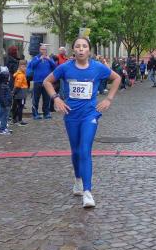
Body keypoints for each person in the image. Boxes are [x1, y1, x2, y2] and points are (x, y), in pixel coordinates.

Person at [43, 37, 122, 209]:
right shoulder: (65, 67)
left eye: (84, 46)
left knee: (85, 149)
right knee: (76, 150)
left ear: (89, 50)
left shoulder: (98, 67)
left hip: (89, 115)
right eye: (77, 46)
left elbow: (117, 78)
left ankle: (87, 192)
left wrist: (108, 99)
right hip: (71, 115)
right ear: (73, 50)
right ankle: (78, 179)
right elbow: (46, 81)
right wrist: (56, 98)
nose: (81, 49)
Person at [27, 44, 57, 119]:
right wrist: (40, 59)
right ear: (39, 50)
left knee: (46, 98)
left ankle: (46, 113)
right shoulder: (36, 58)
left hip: (47, 82)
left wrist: (49, 60)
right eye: (42, 49)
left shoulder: (49, 58)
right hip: (37, 81)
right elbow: (32, 66)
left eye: (45, 49)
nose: (43, 51)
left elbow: (55, 67)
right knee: (36, 98)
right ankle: (35, 114)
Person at [11, 60, 29, 126]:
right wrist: (14, 92)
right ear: (19, 67)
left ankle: (14, 119)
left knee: (17, 107)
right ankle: (20, 120)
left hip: (19, 92)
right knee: (20, 107)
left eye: (25, 67)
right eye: (23, 67)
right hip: (21, 93)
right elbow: (18, 85)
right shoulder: (21, 75)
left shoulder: (19, 74)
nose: (25, 68)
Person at [0, 67, 13, 134]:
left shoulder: (5, 85)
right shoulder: (3, 86)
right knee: (4, 117)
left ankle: (4, 128)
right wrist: (5, 104)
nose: (9, 78)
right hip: (6, 105)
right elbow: (2, 97)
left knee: (6, 117)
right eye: (8, 76)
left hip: (7, 104)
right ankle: (2, 129)